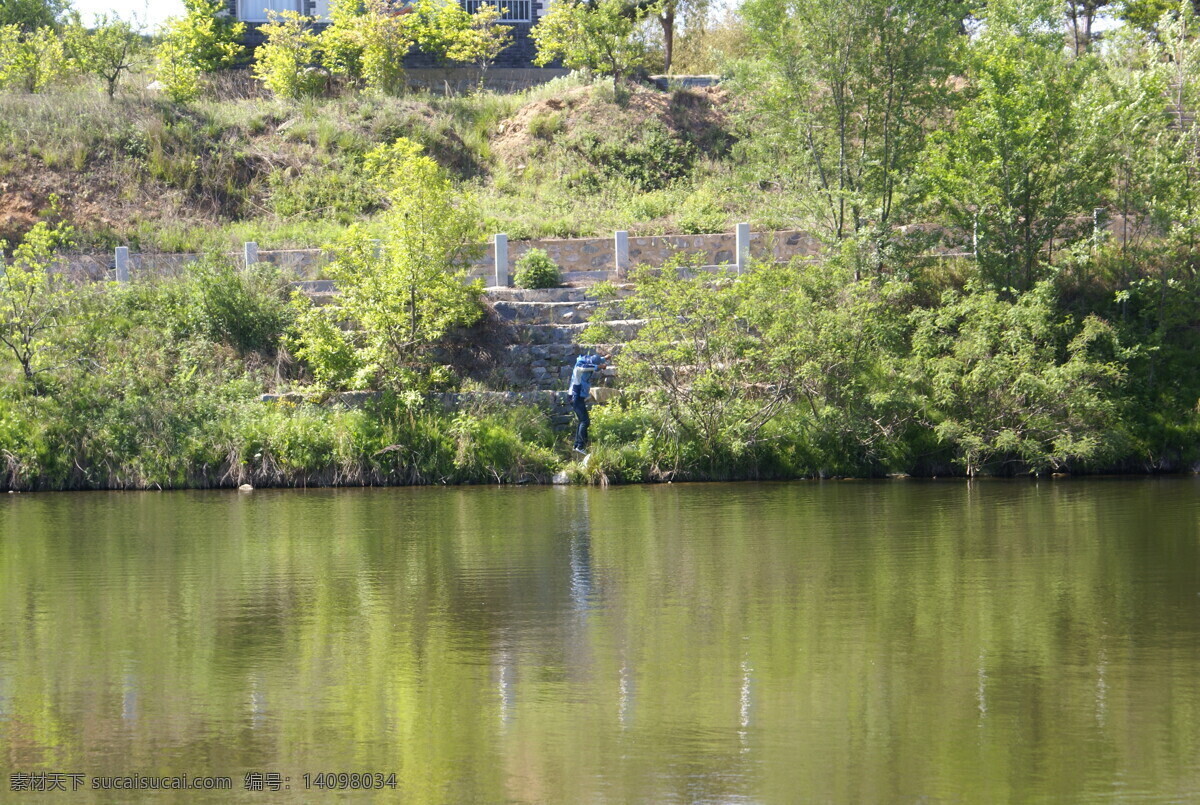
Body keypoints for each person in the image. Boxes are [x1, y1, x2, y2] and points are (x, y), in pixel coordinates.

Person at [568, 353, 607, 456]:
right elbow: (585, 367)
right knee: (585, 421)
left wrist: (604, 358)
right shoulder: (579, 366)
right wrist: (599, 366)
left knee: (583, 421)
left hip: (578, 397)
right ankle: (580, 446)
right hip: (575, 397)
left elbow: (594, 361)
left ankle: (577, 446)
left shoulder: (587, 361)